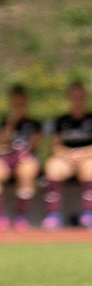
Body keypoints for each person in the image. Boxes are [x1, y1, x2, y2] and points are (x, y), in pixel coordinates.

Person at [42, 81, 92, 230]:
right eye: (74, 96)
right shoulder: (62, 120)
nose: (77, 99)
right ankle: (53, 215)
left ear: (85, 98)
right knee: (52, 167)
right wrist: (68, 154)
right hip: (66, 157)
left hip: (89, 155)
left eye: (80, 96)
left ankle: (88, 214)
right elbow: (56, 146)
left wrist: (83, 153)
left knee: (90, 167)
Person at [1, 84, 43, 230]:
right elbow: (3, 142)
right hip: (5, 159)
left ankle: (21, 215)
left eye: (21, 102)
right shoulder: (4, 121)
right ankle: (2, 217)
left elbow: (35, 145)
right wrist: (11, 123)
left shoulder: (34, 123)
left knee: (27, 171)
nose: (18, 106)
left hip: (25, 158)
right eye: (15, 102)